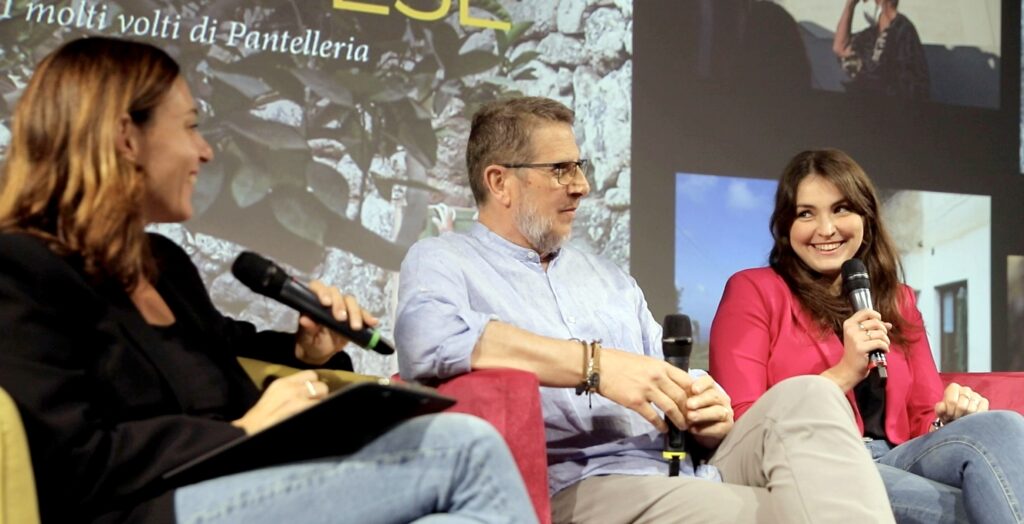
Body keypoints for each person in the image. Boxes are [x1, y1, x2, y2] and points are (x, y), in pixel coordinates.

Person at [0, 37, 536, 524]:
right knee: (463, 447)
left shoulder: (161, 263)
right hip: (141, 512)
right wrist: (241, 432)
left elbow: (229, 353)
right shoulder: (19, 269)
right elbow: (71, 459)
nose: (205, 151)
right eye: (188, 126)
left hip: (240, 487)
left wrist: (310, 352)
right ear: (126, 138)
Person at [395, 96, 896, 523]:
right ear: (500, 182)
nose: (581, 186)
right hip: (585, 483)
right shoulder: (444, 259)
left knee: (809, 395)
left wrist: (708, 409)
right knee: (794, 508)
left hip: (686, 465)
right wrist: (595, 365)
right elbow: (430, 342)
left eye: (580, 167)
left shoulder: (609, 280)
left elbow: (668, 376)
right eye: (560, 170)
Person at [709, 148, 1024, 524]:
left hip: (896, 456)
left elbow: (922, 415)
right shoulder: (754, 290)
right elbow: (745, 423)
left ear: (866, 218)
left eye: (841, 209)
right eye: (806, 213)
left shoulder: (898, 300)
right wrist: (844, 372)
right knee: (969, 505)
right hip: (810, 462)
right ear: (785, 227)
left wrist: (950, 418)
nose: (826, 229)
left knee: (1002, 426)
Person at [833, 0, 930, 99]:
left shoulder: (903, 31)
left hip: (887, 107)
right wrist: (850, 5)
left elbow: (913, 87)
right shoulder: (871, 36)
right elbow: (841, 48)